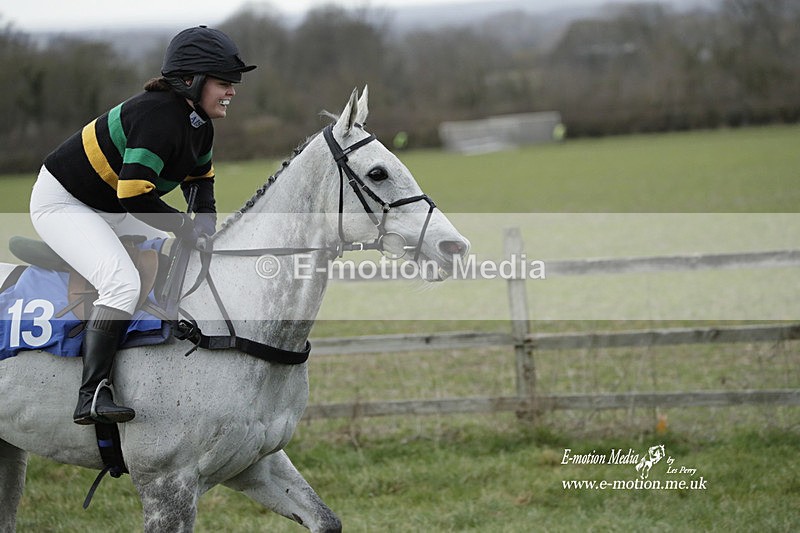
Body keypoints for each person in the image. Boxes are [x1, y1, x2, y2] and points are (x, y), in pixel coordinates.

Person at [28, 26, 256, 425]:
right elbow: (133, 195)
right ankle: (92, 395)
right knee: (122, 281)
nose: (232, 92)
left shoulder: (199, 124)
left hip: (108, 206)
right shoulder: (158, 118)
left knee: (174, 256)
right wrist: (184, 228)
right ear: (191, 81)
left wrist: (205, 231)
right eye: (224, 83)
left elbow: (202, 186)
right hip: (65, 203)